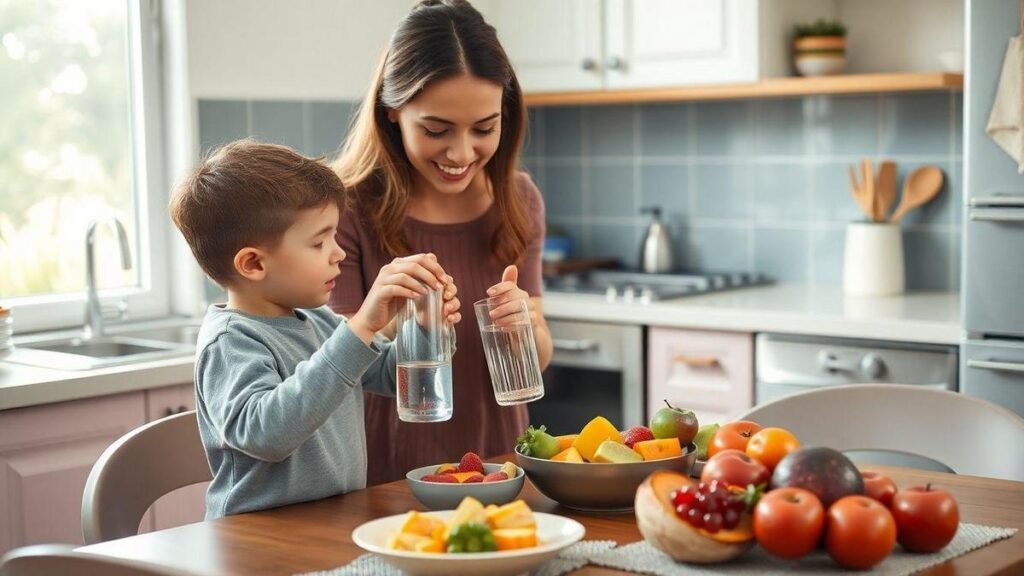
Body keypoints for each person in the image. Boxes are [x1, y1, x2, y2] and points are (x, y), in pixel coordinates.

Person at [168, 139, 460, 518]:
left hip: (331, 523)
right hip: (254, 540)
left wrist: (425, 326)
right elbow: (266, 434)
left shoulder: (317, 320)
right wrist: (361, 327)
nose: (338, 253)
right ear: (254, 264)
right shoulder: (230, 342)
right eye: (320, 242)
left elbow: (392, 377)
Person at [329, 0, 553, 485]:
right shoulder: (344, 207)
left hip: (500, 469)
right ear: (393, 111)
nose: (461, 152)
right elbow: (333, 364)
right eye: (436, 129)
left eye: (484, 128)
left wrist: (525, 326)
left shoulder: (519, 199)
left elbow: (538, 352)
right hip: (382, 475)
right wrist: (404, 321)